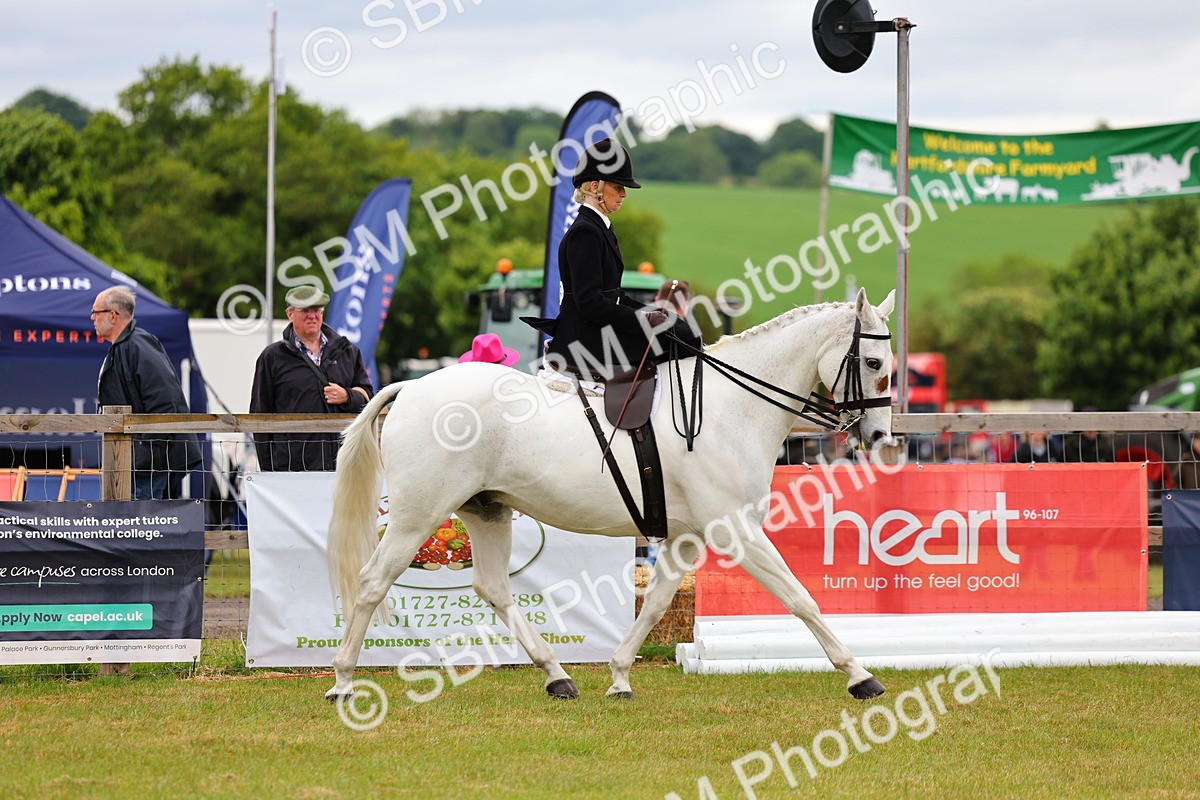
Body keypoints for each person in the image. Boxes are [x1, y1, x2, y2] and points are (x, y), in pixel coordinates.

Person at [529, 138, 701, 381]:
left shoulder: (600, 227)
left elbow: (615, 295)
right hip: (585, 336)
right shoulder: (585, 232)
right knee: (678, 341)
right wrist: (642, 319)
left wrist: (654, 312)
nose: (623, 194)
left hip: (597, 326)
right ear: (595, 187)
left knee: (682, 330)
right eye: (618, 187)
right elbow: (589, 302)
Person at [92, 285, 202, 500]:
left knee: (139, 528)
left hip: (146, 465)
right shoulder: (124, 346)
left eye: (96, 312)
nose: (92, 318)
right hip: (132, 461)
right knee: (127, 526)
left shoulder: (139, 345)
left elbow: (166, 402)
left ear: (113, 315)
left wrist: (143, 451)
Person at [250, 285, 373, 471]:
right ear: (290, 314)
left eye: (316, 310)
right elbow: (260, 415)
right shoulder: (272, 357)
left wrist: (347, 396)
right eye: (304, 310)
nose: (312, 316)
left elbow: (369, 399)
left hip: (344, 465)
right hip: (291, 467)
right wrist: (269, 470)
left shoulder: (348, 352)